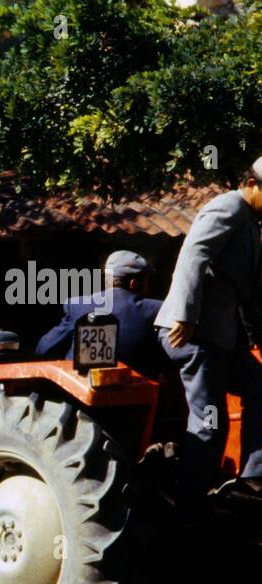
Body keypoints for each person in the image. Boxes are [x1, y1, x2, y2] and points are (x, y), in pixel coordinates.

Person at [154, 156, 262, 503]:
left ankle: (252, 481)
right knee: (211, 422)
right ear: (251, 185)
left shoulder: (251, 223)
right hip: (194, 335)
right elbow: (194, 253)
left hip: (221, 340)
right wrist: (185, 315)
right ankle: (188, 503)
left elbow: (244, 292)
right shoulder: (228, 207)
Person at [35, 250, 167, 377]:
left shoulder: (77, 305)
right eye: (147, 283)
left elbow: (45, 348)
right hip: (133, 392)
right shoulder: (156, 309)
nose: (148, 289)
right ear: (133, 284)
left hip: (79, 391)